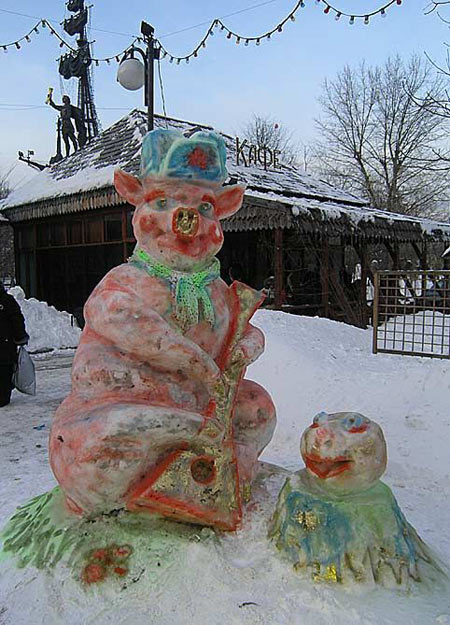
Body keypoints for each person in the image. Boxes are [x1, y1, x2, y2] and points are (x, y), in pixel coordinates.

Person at [0, 283, 29, 407]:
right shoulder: (7, 301)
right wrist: (20, 337)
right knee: (5, 370)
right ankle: (3, 396)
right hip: (5, 345)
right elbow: (17, 320)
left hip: (5, 344)